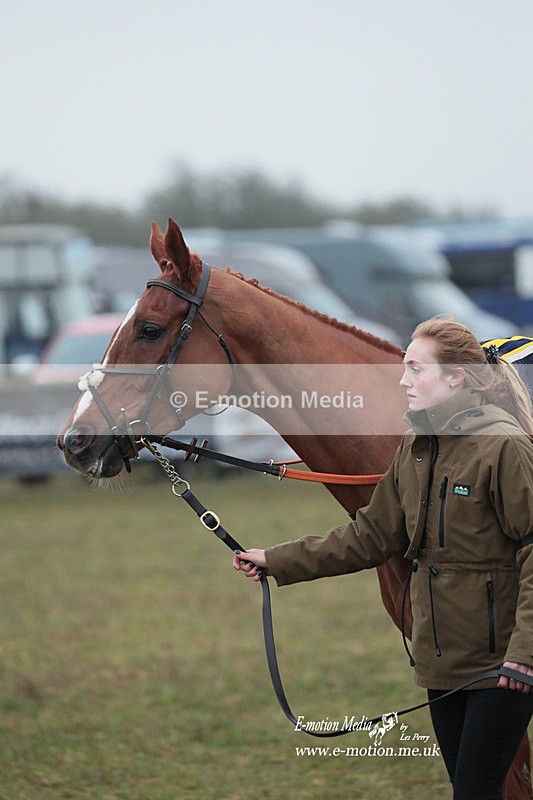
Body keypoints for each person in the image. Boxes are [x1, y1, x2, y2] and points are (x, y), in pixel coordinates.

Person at [233, 317, 533, 800]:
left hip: (502, 666)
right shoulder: (415, 446)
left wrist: (524, 655)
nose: (402, 380)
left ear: (455, 377)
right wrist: (278, 560)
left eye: (416, 369)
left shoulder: (504, 447)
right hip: (441, 662)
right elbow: (370, 536)